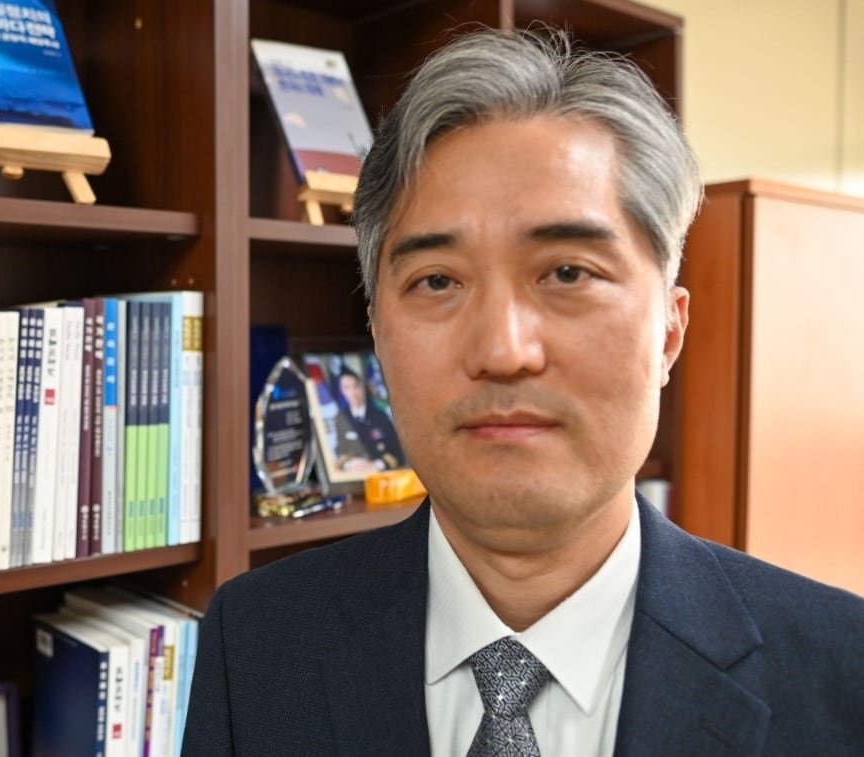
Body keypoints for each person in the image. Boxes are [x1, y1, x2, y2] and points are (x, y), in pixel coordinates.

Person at [183, 28, 864, 756]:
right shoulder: (255, 640)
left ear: (669, 330)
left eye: (567, 272)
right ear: (378, 336)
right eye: (438, 281)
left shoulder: (841, 671)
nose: (502, 351)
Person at [334, 365, 406, 472]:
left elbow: (398, 454)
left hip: (381, 475)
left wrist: (377, 464)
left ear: (362, 387)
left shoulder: (380, 416)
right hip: (353, 474)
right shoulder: (341, 418)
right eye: (347, 388)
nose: (353, 393)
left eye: (356, 386)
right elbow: (340, 452)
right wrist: (349, 464)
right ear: (342, 391)